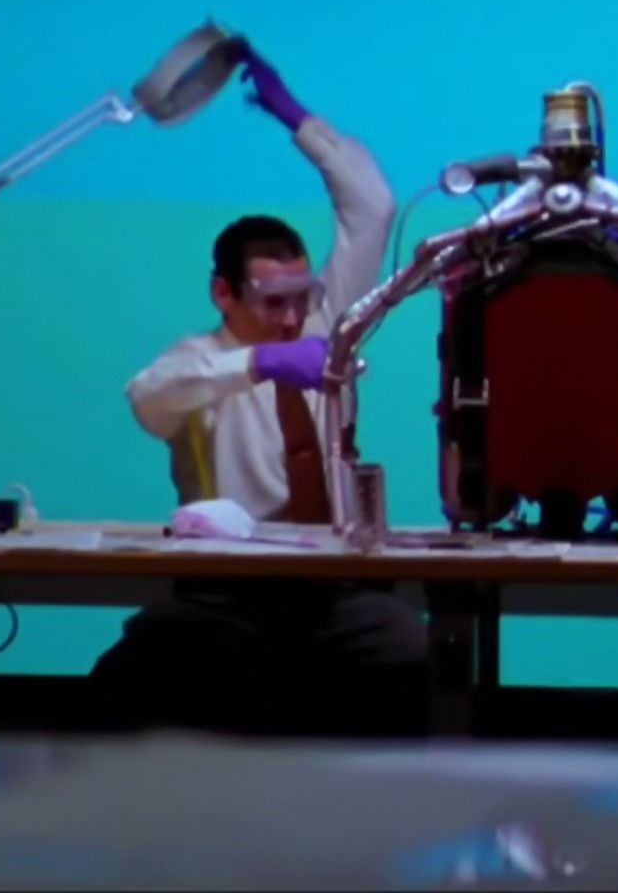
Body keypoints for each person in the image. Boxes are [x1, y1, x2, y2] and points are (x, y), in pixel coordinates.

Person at [89, 46, 431, 738]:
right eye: (273, 301)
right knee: (140, 668)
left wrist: (296, 119)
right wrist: (261, 364)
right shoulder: (200, 363)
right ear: (223, 293)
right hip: (226, 592)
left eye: (301, 297)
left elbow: (372, 207)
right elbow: (148, 399)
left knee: (407, 648)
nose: (292, 317)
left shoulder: (327, 328)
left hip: (334, 586)